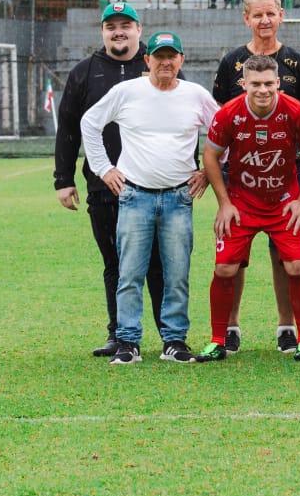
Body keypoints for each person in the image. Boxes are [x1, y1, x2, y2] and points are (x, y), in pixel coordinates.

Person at [79, 31, 218, 365]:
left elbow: (223, 131)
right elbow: (90, 122)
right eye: (159, 56)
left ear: (181, 60)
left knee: (177, 274)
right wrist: (104, 168)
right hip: (134, 197)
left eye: (172, 56)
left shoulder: (195, 95)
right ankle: (128, 342)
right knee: (129, 273)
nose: (166, 62)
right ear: (148, 60)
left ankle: (174, 341)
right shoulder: (127, 92)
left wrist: (209, 173)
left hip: (177, 199)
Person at [55, 3, 170, 356]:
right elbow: (69, 128)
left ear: (139, 29)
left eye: (125, 25)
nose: (118, 32)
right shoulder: (84, 72)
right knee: (115, 264)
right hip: (104, 188)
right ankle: (119, 334)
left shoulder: (156, 67)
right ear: (102, 31)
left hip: (153, 187)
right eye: (111, 26)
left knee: (157, 265)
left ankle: (171, 336)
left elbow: (178, 121)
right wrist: (64, 178)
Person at [210, 0, 300, 353]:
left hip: (286, 171)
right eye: (258, 14)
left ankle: (287, 326)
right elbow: (220, 119)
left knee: (283, 252)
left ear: (280, 15)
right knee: (233, 256)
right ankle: (231, 327)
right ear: (246, 18)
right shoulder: (231, 63)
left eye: (271, 12)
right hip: (239, 175)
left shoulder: (296, 63)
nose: (265, 19)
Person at [197, 55, 300, 361]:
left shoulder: (294, 111)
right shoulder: (229, 114)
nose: (263, 90)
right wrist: (224, 203)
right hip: (242, 202)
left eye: (269, 83)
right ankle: (218, 340)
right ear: (244, 85)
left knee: (297, 266)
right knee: (224, 268)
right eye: (256, 84)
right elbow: (210, 157)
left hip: (283, 202)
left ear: (278, 83)